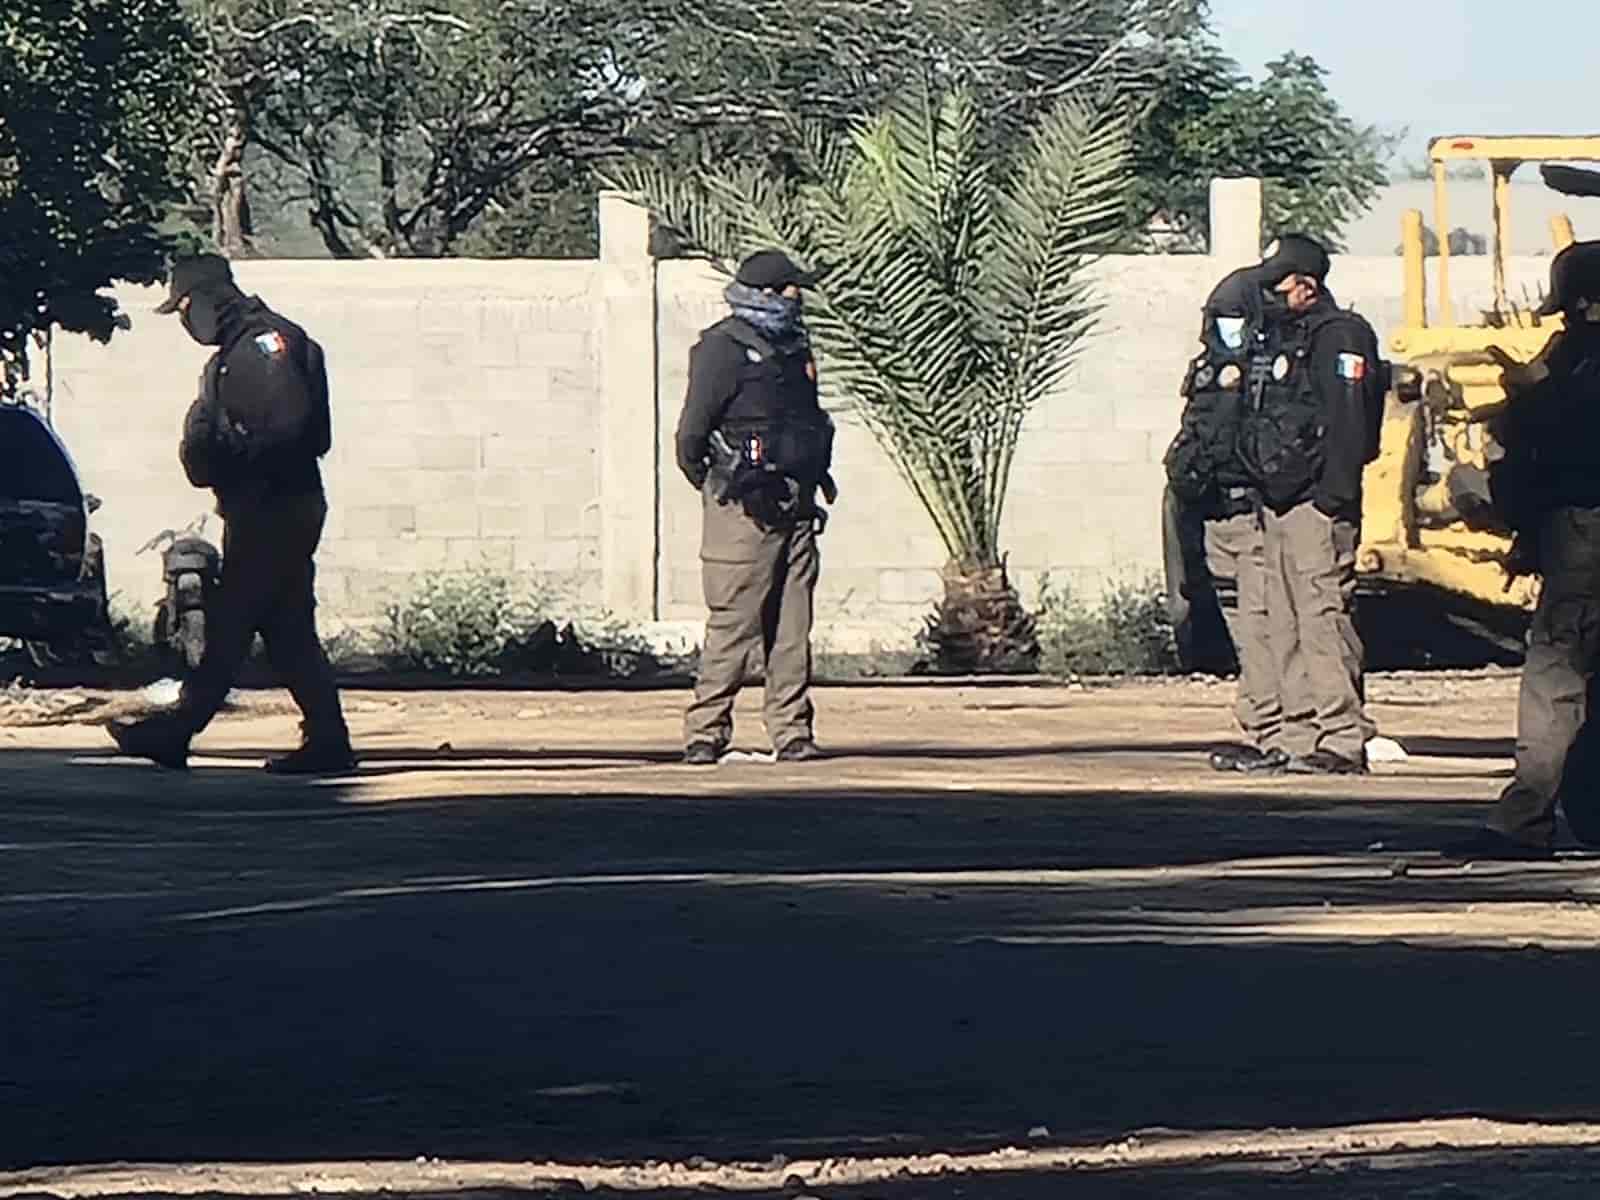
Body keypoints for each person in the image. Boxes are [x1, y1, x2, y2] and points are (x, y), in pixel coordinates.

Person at [107, 254, 354, 774]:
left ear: (205, 300)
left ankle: (176, 730)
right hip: (272, 507)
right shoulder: (259, 345)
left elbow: (289, 432)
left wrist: (220, 448)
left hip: (272, 509)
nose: (182, 321)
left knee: (231, 621)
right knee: (287, 629)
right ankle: (328, 739)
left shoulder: (263, 347)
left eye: (183, 308)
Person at [1454, 241, 1600, 859]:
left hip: (1582, 528)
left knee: (1555, 672)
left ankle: (1525, 819)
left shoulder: (1572, 362)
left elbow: (1536, 443)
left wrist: (1522, 528)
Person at [675, 250, 836, 765]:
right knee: (734, 625)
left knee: (791, 630)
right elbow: (690, 438)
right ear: (768, 293)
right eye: (792, 289)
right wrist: (724, 486)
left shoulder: (795, 347)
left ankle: (791, 733)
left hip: (797, 505)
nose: (800, 298)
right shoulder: (722, 348)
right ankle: (705, 732)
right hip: (742, 510)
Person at [1237, 235, 1385, 775]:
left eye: (1280, 285)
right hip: (1279, 501)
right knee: (1285, 620)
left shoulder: (1340, 335)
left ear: (1307, 285)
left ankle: (1342, 737)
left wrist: (1332, 499)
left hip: (1317, 505)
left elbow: (1351, 423)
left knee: (1323, 618)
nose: (1272, 297)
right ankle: (1298, 738)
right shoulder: (1285, 339)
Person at [1164, 266, 1291, 773]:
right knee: (1240, 620)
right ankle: (1260, 719)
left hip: (1253, 511)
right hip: (1213, 512)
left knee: (1264, 623)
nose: (1226, 328)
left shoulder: (1270, 369)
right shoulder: (1206, 370)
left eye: (1235, 318)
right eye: (1220, 319)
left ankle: (1275, 725)